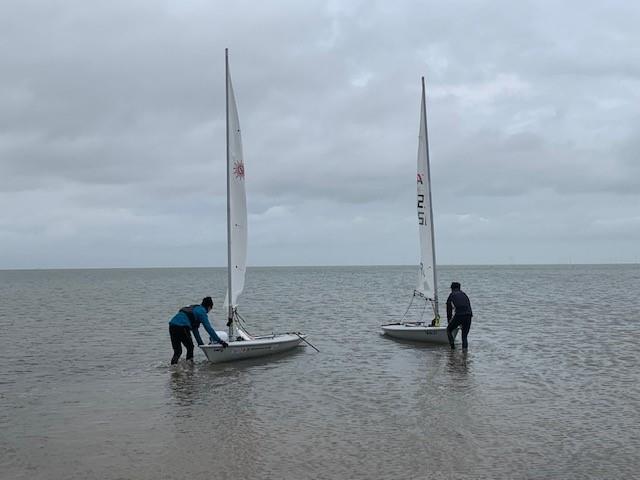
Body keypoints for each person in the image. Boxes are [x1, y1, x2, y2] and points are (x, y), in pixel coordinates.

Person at [169, 296, 228, 364]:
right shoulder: (202, 312)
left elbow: (195, 330)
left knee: (178, 351)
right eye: (210, 309)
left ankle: (173, 369)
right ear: (209, 307)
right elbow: (208, 328)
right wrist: (220, 341)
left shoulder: (195, 309)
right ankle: (190, 367)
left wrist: (200, 344)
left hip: (172, 326)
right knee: (190, 347)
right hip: (182, 327)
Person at [446, 282, 473, 349]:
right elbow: (468, 306)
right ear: (459, 288)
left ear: (452, 288)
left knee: (449, 330)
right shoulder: (464, 294)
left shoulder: (452, 295)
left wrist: (449, 321)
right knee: (464, 336)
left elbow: (449, 310)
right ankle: (465, 352)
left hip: (459, 315)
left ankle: (452, 349)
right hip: (469, 315)